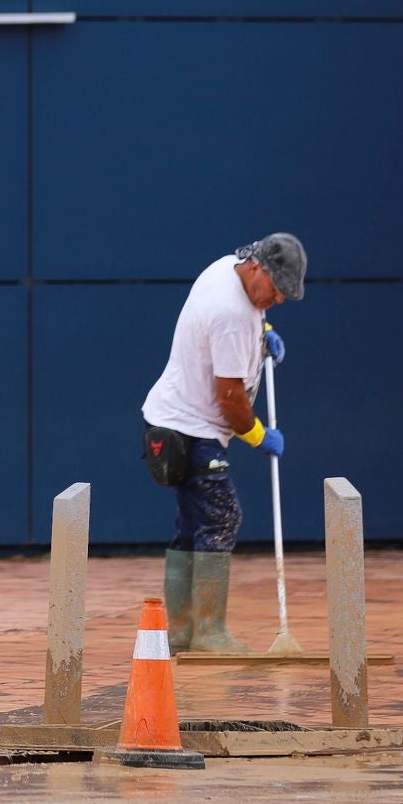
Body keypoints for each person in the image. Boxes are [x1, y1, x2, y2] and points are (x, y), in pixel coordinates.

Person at [139, 233, 306, 653]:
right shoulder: (232, 313)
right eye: (277, 289)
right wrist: (259, 436)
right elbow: (230, 397)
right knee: (222, 519)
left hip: (171, 419)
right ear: (258, 267)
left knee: (192, 526)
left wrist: (262, 332)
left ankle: (180, 631)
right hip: (194, 429)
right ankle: (209, 633)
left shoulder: (226, 268)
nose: (279, 299)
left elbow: (243, 319)